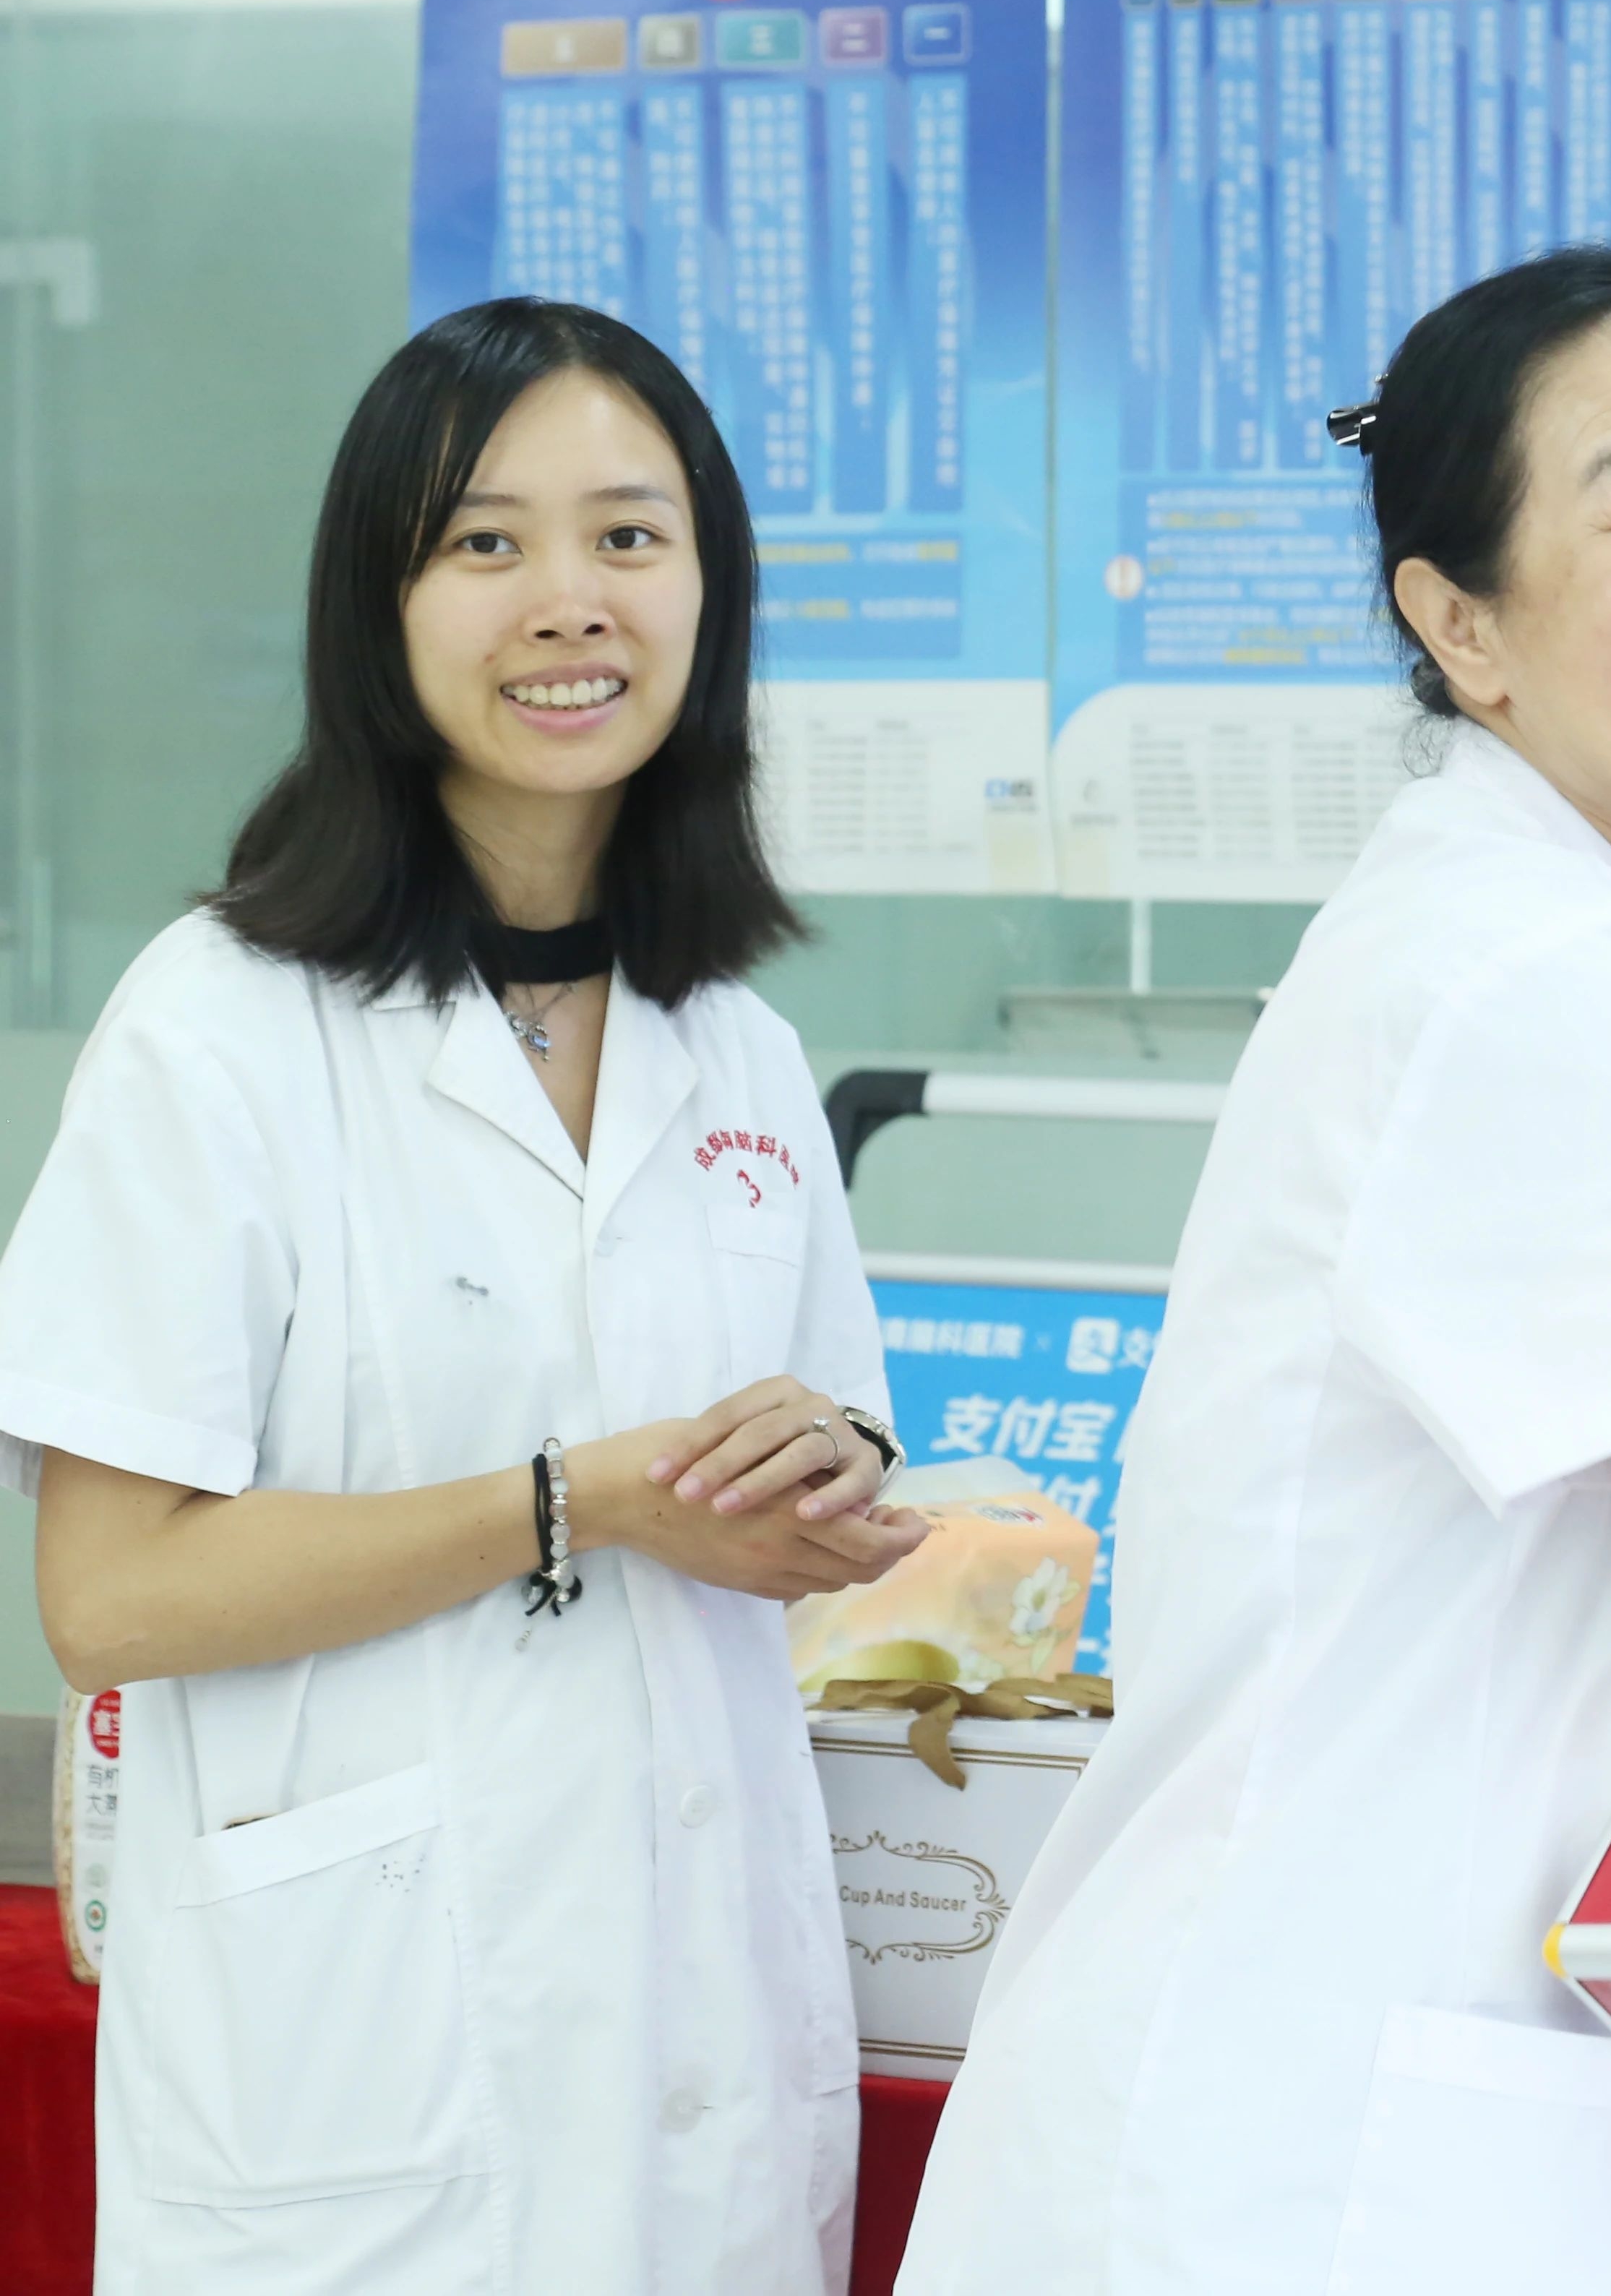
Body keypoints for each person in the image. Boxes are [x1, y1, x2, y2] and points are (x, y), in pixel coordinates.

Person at [895, 247, 1611, 2295]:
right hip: (1313, 2169)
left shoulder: (1580, 936)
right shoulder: (1530, 971)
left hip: (1418, 2119)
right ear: (1461, 625)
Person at [0, 298, 927, 2291]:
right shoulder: (219, 1029)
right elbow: (111, 1594)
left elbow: (821, 1446)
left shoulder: (737, 1047)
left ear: (708, 592)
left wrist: (825, 1473)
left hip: (699, 2053)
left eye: (629, 536)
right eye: (486, 543)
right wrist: (575, 1502)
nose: (568, 601)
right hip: (360, 2098)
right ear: (381, 606)